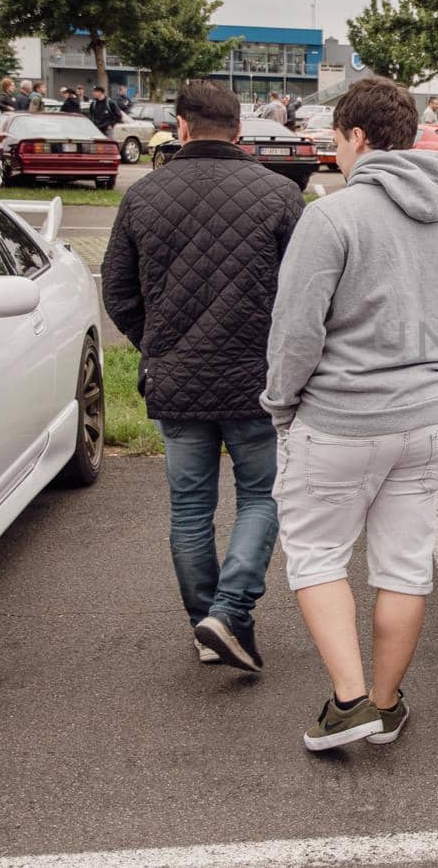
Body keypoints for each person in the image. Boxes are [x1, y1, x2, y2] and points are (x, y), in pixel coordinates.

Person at [261, 76, 438, 751]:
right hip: (425, 424)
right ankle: (386, 707)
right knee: (405, 566)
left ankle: (351, 700)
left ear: (356, 137)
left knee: (318, 555)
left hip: (338, 419)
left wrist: (281, 406)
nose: (335, 153)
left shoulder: (332, 218)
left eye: (336, 139)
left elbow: (296, 332)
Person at [100, 81, 305, 672]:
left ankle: (205, 625)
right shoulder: (279, 195)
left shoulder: (144, 196)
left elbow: (117, 293)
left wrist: (158, 344)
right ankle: (231, 611)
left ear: (181, 126)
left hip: (177, 381)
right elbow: (302, 294)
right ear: (240, 130)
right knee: (261, 497)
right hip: (255, 380)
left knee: (190, 508)